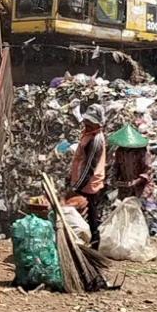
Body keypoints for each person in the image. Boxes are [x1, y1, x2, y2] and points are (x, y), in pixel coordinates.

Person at [66, 104, 107, 247]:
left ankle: (94, 245)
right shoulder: (87, 134)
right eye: (86, 121)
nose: (87, 124)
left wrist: (77, 186)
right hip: (81, 180)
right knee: (82, 213)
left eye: (90, 122)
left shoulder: (96, 140)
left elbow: (89, 167)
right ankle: (81, 241)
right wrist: (71, 176)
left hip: (89, 184)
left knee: (91, 215)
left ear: (97, 123)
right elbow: (79, 158)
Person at [107, 124, 152, 200]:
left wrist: (137, 181)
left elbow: (148, 170)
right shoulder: (120, 151)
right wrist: (114, 178)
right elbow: (116, 165)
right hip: (125, 187)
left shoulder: (142, 152)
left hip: (140, 188)